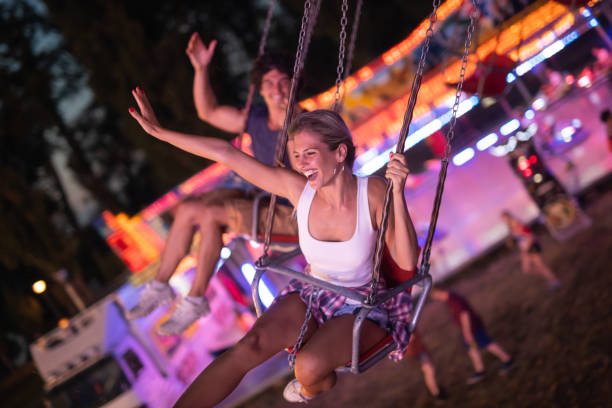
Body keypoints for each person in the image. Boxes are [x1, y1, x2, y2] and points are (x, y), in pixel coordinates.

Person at [129, 90, 420, 406]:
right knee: (249, 345)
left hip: (362, 305)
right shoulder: (299, 191)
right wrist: (160, 133)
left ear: (340, 153)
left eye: (309, 153)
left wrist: (399, 194)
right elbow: (228, 154)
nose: (301, 164)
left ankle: (312, 386)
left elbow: (406, 265)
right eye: (296, 156)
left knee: (306, 367)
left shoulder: (373, 193)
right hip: (314, 293)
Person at [125, 33, 299, 336]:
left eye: (283, 81)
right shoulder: (255, 118)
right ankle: (160, 286)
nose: (276, 89)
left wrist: (292, 117)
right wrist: (201, 69)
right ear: (259, 89)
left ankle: (194, 300)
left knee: (210, 214)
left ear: (293, 84)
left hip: (291, 216)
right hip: (261, 198)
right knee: (190, 207)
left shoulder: (304, 126)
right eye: (269, 83)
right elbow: (208, 112)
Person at [429, 288, 513, 385]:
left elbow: (465, 314)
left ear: (438, 292)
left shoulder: (453, 300)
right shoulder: (449, 299)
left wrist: (467, 332)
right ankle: (480, 370)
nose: (436, 299)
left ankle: (508, 360)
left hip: (473, 328)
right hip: (470, 329)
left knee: (487, 344)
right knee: (472, 348)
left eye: (435, 296)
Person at [501, 210, 562, 289]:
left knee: (540, 266)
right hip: (525, 249)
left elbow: (529, 234)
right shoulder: (510, 227)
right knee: (527, 269)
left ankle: (554, 280)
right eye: (503, 219)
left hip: (531, 246)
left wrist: (527, 246)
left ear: (508, 216)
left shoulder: (516, 222)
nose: (504, 221)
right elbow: (519, 239)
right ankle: (551, 277)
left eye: (504, 218)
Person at [404, 329, 447, 403]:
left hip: (420, 350)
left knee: (431, 370)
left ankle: (435, 391)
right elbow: (409, 338)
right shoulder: (401, 325)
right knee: (429, 371)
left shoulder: (407, 322)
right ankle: (436, 393)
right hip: (415, 354)